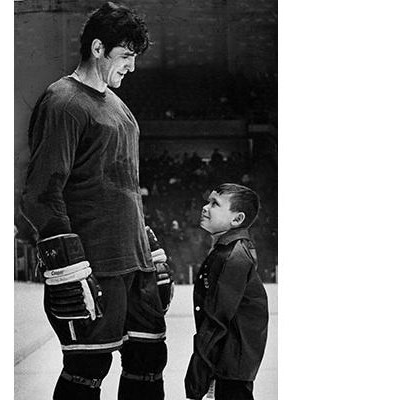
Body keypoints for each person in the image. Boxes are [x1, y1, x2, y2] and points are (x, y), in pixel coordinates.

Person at [19, 3, 172, 400]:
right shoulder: (64, 101)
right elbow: (40, 192)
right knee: (88, 366)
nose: (131, 68)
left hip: (134, 261)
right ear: (98, 48)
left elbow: (124, 188)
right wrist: (68, 266)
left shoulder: (121, 110)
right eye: (126, 57)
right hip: (96, 263)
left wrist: (148, 245)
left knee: (149, 359)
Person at [185, 183, 268, 400]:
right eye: (208, 200)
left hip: (231, 364)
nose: (205, 207)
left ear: (237, 219)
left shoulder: (232, 257)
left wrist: (197, 373)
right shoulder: (227, 250)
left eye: (215, 204)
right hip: (227, 361)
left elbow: (216, 320)